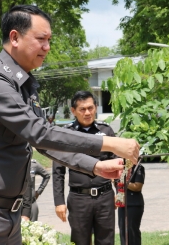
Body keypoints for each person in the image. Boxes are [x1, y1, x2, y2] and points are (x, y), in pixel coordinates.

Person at [0, 5, 140, 244]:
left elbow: (48, 145)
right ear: (15, 37)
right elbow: (40, 133)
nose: (47, 47)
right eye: (41, 40)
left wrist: (96, 166)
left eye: (49, 40)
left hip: (8, 218)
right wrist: (110, 143)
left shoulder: (22, 86)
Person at [53, 90, 117, 245]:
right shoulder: (66, 134)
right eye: (82, 109)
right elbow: (58, 171)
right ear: (73, 111)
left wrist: (119, 193)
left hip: (105, 196)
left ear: (96, 107)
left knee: (106, 241)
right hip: (78, 199)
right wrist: (59, 201)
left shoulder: (106, 131)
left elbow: (117, 164)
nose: (87, 112)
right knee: (80, 241)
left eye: (90, 108)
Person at [116, 164, 145, 245]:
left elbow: (137, 187)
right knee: (123, 231)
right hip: (122, 203)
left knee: (132, 231)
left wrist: (123, 182)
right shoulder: (119, 169)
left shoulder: (138, 168)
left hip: (134, 204)